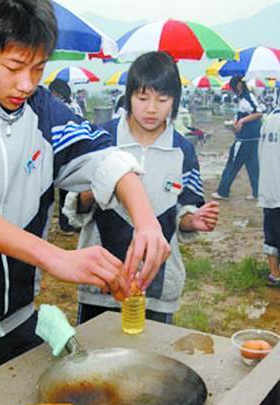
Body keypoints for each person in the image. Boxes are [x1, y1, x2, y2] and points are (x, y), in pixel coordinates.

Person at [0, 0, 170, 400]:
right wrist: (55, 256)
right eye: (13, 67)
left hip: (18, 318)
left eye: (39, 68)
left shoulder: (44, 112)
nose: (27, 84)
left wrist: (147, 221)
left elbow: (105, 158)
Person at [64, 52, 219, 324]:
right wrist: (93, 192)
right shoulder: (101, 138)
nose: (151, 109)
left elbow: (183, 208)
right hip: (102, 280)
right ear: (128, 97)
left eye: (162, 100)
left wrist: (192, 221)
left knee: (154, 362)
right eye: (142, 98)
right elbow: (74, 208)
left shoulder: (182, 150)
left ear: (174, 101)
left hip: (156, 286)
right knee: (96, 360)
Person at [212, 75, 264, 201]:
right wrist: (237, 123)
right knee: (253, 167)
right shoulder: (245, 97)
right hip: (253, 138)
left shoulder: (247, 98)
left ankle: (223, 191)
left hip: (245, 139)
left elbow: (258, 112)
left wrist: (241, 121)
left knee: (232, 165)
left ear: (239, 86)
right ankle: (256, 192)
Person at [48, 78, 82, 234]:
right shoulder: (65, 107)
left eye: (55, 92)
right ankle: (65, 223)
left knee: (70, 191)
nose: (53, 95)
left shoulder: (68, 108)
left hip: (70, 153)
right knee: (64, 192)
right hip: (63, 154)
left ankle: (69, 222)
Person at [258, 104, 280, 286]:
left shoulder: (268, 121)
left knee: (271, 232)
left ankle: (275, 274)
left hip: (269, 187)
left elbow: (260, 154)